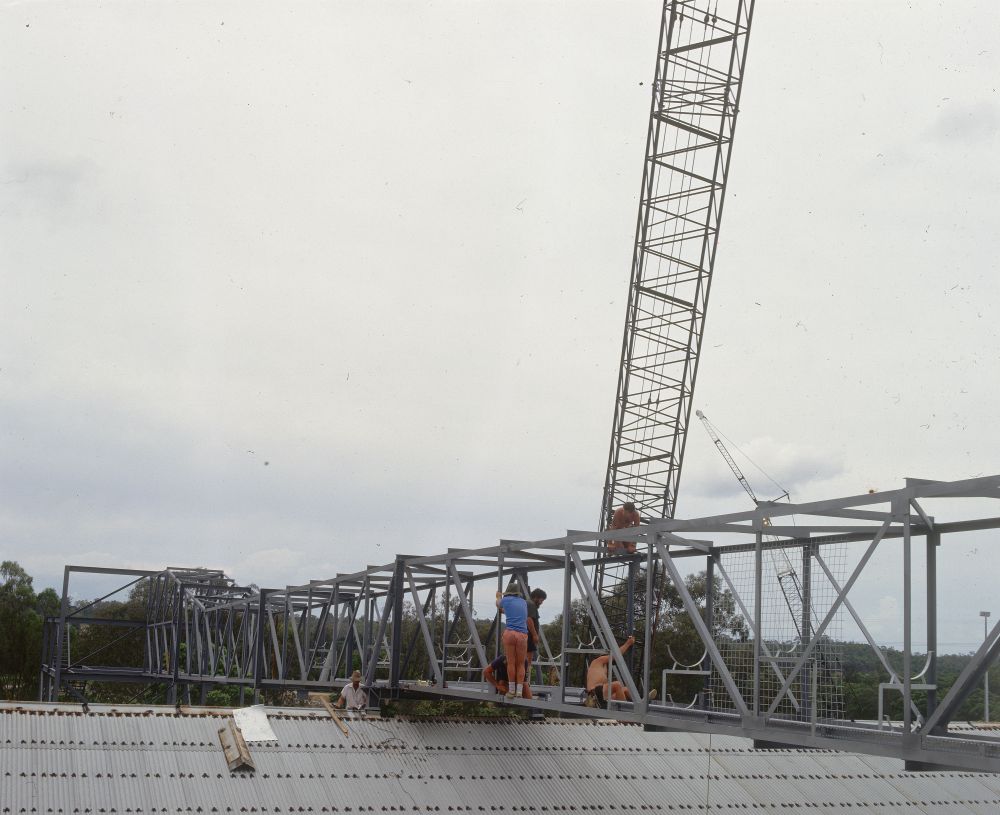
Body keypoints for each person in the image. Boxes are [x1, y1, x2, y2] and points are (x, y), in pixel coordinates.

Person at [585, 635, 656, 705]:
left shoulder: (604, 667)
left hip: (601, 694)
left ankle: (640, 702)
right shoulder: (597, 661)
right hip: (592, 694)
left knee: (625, 689)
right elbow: (615, 655)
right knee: (617, 684)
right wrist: (628, 643)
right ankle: (625, 709)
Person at [495, 582, 529, 699]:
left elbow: (498, 604)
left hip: (510, 634)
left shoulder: (506, 599)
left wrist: (498, 596)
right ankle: (519, 691)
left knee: (511, 663)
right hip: (522, 635)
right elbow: (520, 615)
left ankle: (512, 690)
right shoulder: (523, 602)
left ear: (508, 592)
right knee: (520, 664)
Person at [526, 588, 547, 686]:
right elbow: (529, 619)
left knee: (525, 660)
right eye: (542, 600)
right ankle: (526, 682)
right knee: (528, 661)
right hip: (528, 636)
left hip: (526, 635)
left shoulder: (527, 603)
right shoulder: (531, 605)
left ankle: (524, 682)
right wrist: (535, 635)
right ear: (536, 597)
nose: (542, 602)